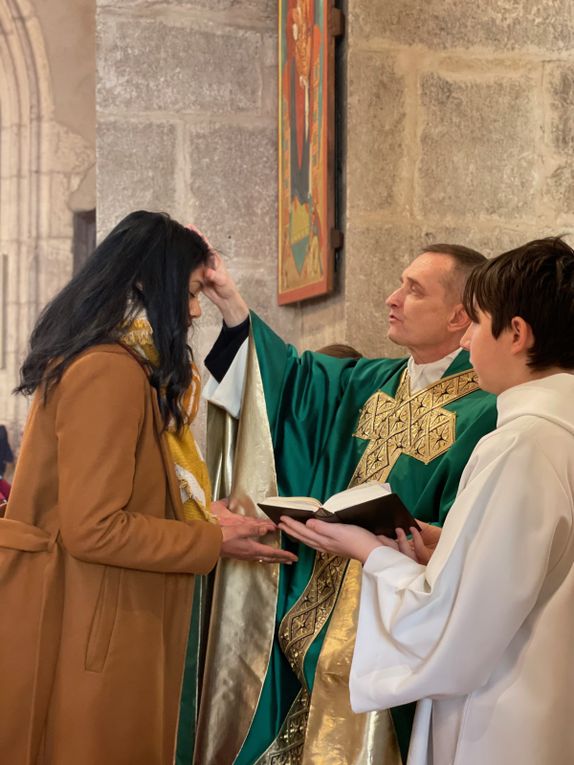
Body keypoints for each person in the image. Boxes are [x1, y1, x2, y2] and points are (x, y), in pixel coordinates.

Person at [0, 210, 295, 765]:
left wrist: (190, 512)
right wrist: (212, 540)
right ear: (145, 283)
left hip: (108, 608)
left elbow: (122, 489)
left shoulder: (128, 363)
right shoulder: (107, 370)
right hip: (96, 624)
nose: (192, 309)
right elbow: (94, 529)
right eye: (187, 291)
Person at [194, 244, 499, 765]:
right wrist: (231, 303)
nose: (392, 298)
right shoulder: (368, 381)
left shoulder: (489, 409)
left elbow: (478, 543)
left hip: (389, 633)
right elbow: (286, 383)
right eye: (400, 284)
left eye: (413, 289)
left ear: (459, 316)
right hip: (306, 615)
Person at [280, 237, 574, 765]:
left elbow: (451, 625)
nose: (466, 346)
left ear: (516, 333)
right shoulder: (560, 431)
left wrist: (367, 551)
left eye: (477, 324)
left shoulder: (520, 443)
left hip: (500, 718)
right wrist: (448, 544)